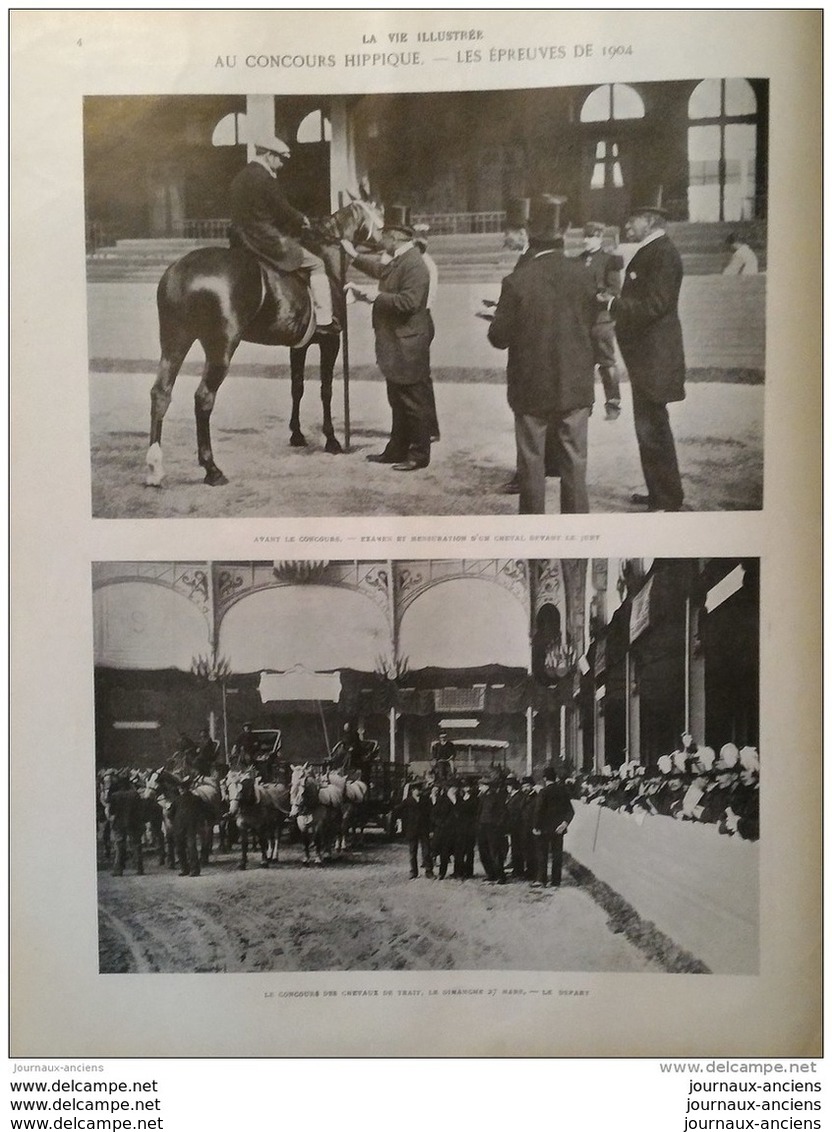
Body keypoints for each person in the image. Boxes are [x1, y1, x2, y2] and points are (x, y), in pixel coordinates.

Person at [488, 194, 598, 514]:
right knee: (575, 466)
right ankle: (575, 538)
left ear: (529, 233)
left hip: (530, 386)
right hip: (575, 384)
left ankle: (534, 537)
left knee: (531, 464)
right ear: (564, 231)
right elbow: (592, 325)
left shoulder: (517, 280)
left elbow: (499, 338)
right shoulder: (585, 274)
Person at [604, 203, 686, 512]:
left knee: (653, 429)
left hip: (655, 358)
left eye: (632, 219)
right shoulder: (654, 250)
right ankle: (659, 493)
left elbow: (655, 305)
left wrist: (614, 305)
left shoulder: (663, 253)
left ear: (650, 221)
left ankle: (666, 498)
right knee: (649, 427)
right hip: (648, 358)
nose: (627, 226)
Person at [342, 204, 434, 471]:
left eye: (383, 235)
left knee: (413, 401)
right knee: (397, 399)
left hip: (408, 344)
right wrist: (353, 257)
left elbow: (409, 302)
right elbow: (381, 272)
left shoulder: (414, 264)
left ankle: (419, 454)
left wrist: (373, 296)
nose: (379, 240)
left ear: (395, 237)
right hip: (398, 342)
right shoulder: (401, 260)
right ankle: (397, 449)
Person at [228, 132, 338, 333]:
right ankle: (324, 320)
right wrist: (300, 219)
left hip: (239, 240)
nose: (281, 164)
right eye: (279, 158)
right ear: (268, 155)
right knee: (317, 263)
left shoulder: (238, 177)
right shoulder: (266, 179)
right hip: (265, 238)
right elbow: (281, 209)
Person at [578, 221, 623, 419]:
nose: (587, 241)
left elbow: (615, 290)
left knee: (606, 362)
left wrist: (601, 296)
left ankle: (613, 404)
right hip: (582, 321)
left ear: (600, 237)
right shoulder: (578, 260)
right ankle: (585, 404)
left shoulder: (609, 260)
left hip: (602, 320)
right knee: (582, 364)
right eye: (585, 237)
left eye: (592, 237)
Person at [411, 222, 441, 442]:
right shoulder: (425, 262)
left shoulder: (422, 264)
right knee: (422, 377)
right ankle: (429, 427)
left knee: (419, 378)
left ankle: (427, 427)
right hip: (424, 318)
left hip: (420, 317)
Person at [531, 766, 574, 889]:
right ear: (555, 778)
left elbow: (538, 811)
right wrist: (564, 823)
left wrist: (536, 826)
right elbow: (570, 811)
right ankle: (556, 881)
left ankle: (542, 880)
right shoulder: (563, 791)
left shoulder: (543, 792)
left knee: (542, 854)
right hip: (559, 829)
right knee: (557, 855)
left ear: (545, 778)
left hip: (544, 829)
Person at [395, 782, 434, 879]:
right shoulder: (408, 801)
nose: (419, 791)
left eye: (420, 789)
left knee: (427, 851)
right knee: (412, 852)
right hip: (412, 830)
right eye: (417, 789)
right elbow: (397, 810)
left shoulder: (426, 800)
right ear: (413, 790)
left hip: (424, 829)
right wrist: (402, 821)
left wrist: (431, 829)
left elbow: (431, 814)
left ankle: (429, 871)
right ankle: (413, 872)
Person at [476, 777, 507, 884]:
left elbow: (503, 813)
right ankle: (491, 874)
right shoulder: (482, 797)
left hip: (492, 828)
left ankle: (501, 876)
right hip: (482, 827)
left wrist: (498, 825)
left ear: (486, 786)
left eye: (481, 786)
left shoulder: (496, 797)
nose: (479, 788)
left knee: (494, 852)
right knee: (483, 852)